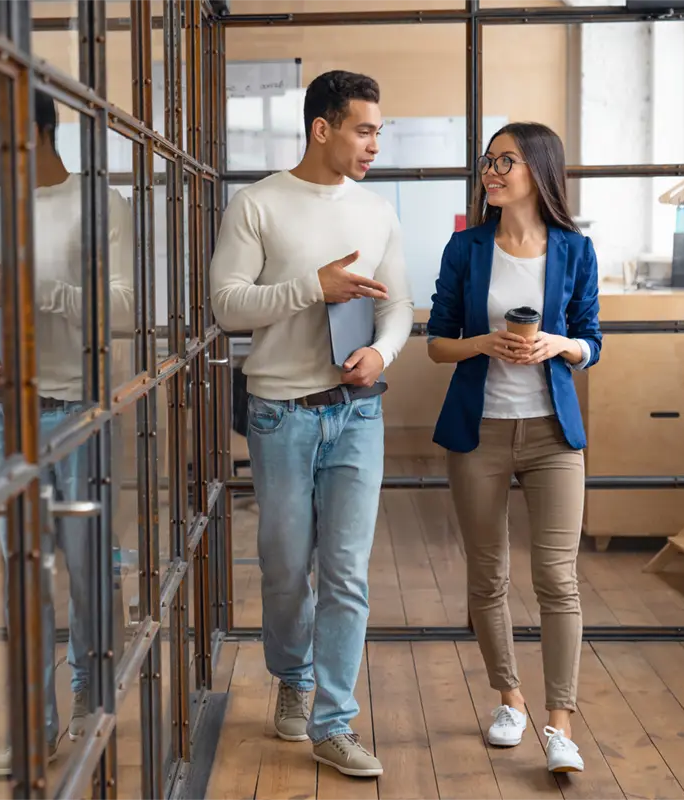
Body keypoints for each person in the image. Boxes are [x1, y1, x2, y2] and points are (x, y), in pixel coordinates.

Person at [209, 70, 413, 778]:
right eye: (364, 130)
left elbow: (397, 307)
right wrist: (310, 288)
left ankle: (334, 721)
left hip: (358, 413)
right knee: (286, 569)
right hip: (279, 415)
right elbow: (227, 306)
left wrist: (380, 353)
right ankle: (292, 679)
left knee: (347, 572)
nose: (375, 145)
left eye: (379, 132)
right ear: (322, 129)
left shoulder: (378, 212)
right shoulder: (258, 205)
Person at [0, 81, 135, 777]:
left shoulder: (99, 204)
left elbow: (125, 306)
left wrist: (38, 291)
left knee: (88, 572)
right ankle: (35, 723)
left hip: (77, 413)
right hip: (4, 418)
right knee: (22, 576)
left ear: (28, 136)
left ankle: (90, 696)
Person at [426, 121, 602, 774]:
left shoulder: (575, 250)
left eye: (506, 161)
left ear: (539, 170)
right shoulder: (466, 247)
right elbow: (436, 341)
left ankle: (560, 726)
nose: (491, 171)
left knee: (557, 577)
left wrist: (561, 345)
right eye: (488, 160)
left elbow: (591, 339)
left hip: (554, 435)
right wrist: (482, 343)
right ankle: (510, 700)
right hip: (481, 433)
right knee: (488, 574)